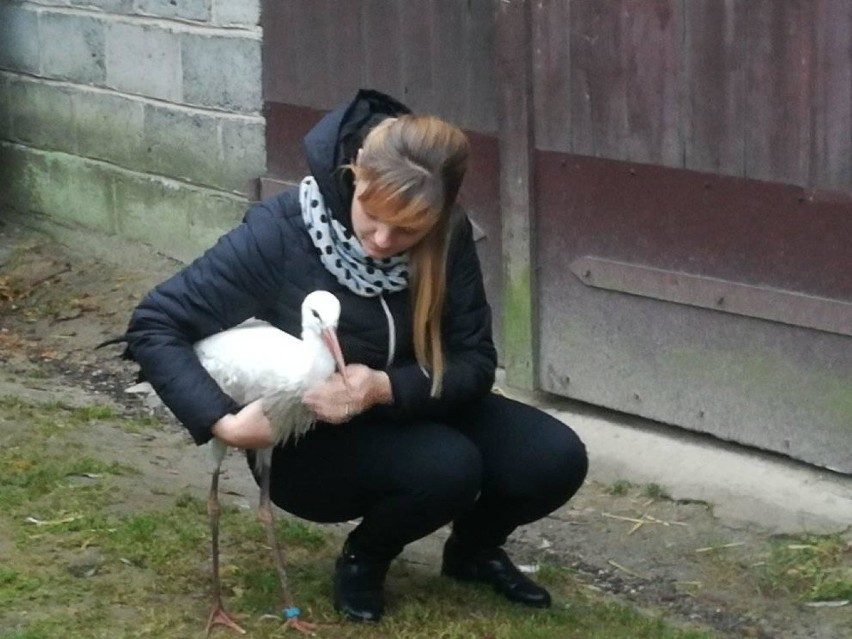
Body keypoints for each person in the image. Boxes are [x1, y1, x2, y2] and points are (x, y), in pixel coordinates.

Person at [122, 89, 588, 622]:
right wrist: (222, 422)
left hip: (404, 402)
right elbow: (156, 324)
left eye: (409, 229)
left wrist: (382, 388)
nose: (382, 240)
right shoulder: (281, 233)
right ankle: (365, 560)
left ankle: (473, 551)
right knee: (448, 468)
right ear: (358, 171)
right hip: (310, 436)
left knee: (553, 457)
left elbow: (474, 361)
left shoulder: (450, 234)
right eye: (373, 214)